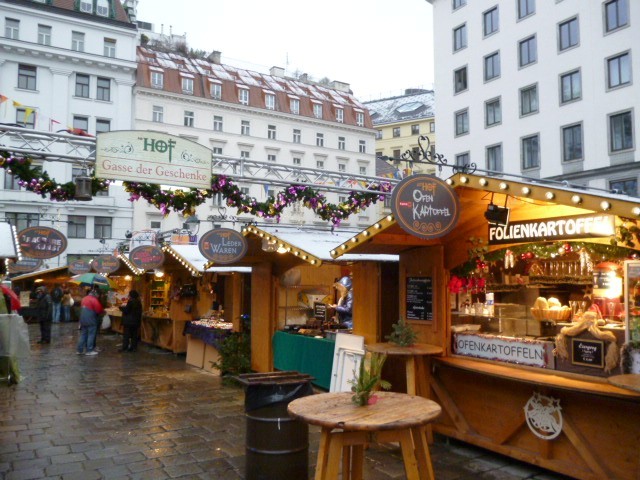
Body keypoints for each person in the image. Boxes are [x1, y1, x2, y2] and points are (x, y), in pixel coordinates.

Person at [77, 288, 104, 355]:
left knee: (83, 335)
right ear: (96, 294)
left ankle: (79, 350)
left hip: (83, 320)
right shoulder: (94, 300)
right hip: (91, 320)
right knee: (91, 335)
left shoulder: (84, 298)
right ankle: (89, 350)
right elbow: (99, 310)